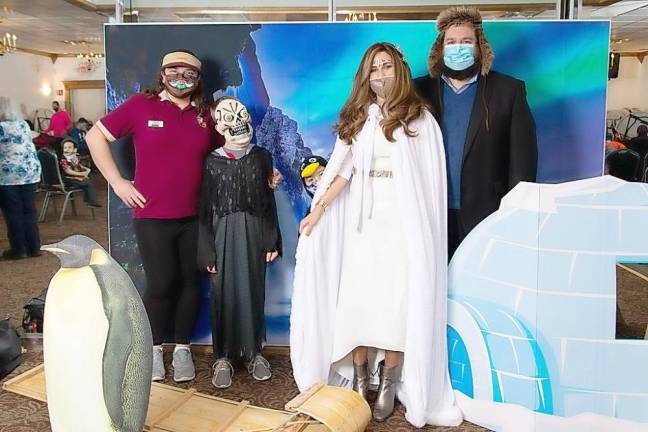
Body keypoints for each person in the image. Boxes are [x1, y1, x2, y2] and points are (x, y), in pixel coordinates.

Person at [290, 43, 462, 427]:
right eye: (373, 69)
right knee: (359, 304)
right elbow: (341, 172)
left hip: (400, 229)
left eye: (386, 66)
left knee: (394, 308)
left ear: (398, 71)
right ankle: (360, 379)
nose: (380, 74)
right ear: (365, 77)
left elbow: (426, 184)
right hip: (362, 229)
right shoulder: (357, 119)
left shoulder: (418, 120)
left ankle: (390, 381)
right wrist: (317, 212)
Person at [85, 49, 221, 384]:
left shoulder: (207, 114)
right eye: (174, 70)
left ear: (198, 79)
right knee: (162, 284)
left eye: (189, 73)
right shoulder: (141, 105)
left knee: (192, 282)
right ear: (162, 74)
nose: (181, 77)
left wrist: (264, 173)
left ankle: (182, 349)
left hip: (195, 215)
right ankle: (154, 349)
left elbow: (227, 152)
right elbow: (94, 136)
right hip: (152, 215)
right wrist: (117, 182)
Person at [414, 6, 537, 258]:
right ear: (441, 48)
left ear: (479, 47)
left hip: (487, 213)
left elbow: (523, 160)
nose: (458, 47)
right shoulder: (417, 91)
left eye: (466, 41)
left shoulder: (508, 91)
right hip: (429, 212)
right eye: (452, 42)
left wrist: (514, 211)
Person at [198, 96, 282, 389]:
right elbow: (205, 208)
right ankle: (222, 356)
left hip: (254, 232)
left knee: (253, 290)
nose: (239, 122)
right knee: (222, 292)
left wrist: (272, 240)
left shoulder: (262, 157)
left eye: (242, 115)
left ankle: (254, 351)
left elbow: (268, 201)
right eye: (230, 118)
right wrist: (207, 249)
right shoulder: (212, 161)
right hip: (221, 234)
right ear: (220, 125)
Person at [0, 97, 42, 260]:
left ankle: (19, 249)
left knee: (13, 213)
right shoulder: (23, 124)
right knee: (29, 210)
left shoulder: (1, 128)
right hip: (30, 173)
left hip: (9, 177)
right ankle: (34, 247)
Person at [59, 138, 101, 207]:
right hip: (67, 179)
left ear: (75, 150)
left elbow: (79, 166)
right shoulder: (63, 160)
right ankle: (91, 201)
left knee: (86, 182)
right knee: (87, 183)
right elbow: (68, 171)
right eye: (65, 148)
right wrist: (81, 174)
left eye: (69, 147)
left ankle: (89, 201)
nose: (67, 149)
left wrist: (87, 170)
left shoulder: (74, 158)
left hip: (73, 178)